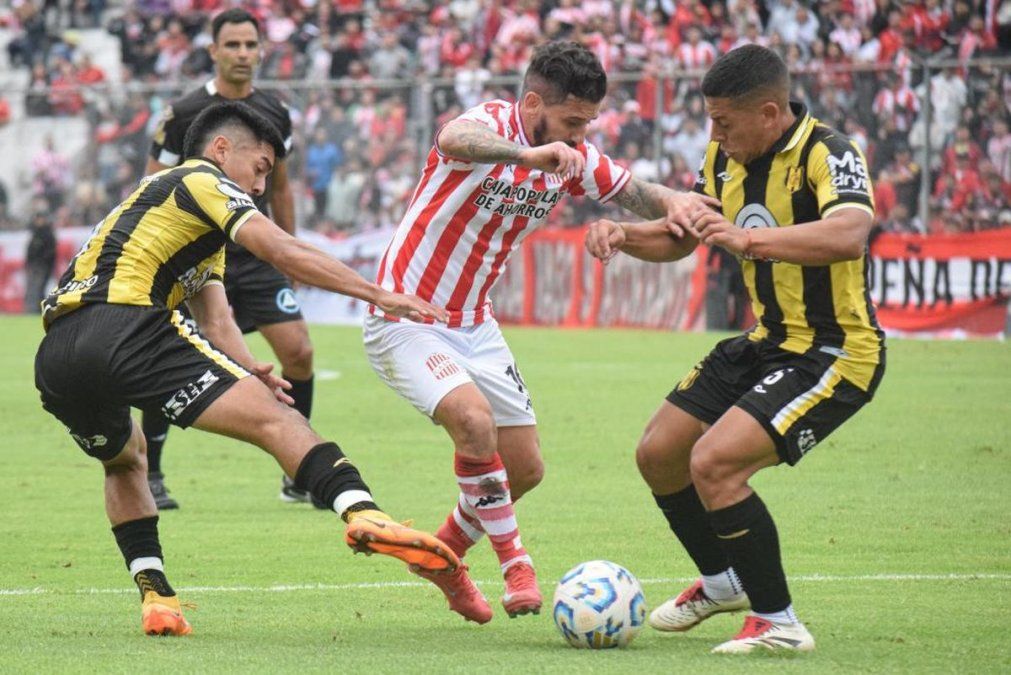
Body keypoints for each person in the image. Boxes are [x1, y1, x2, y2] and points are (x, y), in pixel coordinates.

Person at [35, 101, 459, 637]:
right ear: (220, 149)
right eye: (259, 168)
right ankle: (363, 512)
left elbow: (216, 318)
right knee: (278, 420)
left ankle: (157, 597)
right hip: (126, 324)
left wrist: (249, 368)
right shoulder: (200, 179)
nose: (261, 187)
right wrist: (377, 294)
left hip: (58, 356)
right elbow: (279, 247)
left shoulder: (173, 214)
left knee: (124, 460)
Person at [363, 40, 716, 624]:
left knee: (524, 469)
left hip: (476, 323)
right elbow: (453, 137)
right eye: (571, 122)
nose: (579, 136)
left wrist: (677, 202)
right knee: (474, 423)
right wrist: (528, 155)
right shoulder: (490, 125)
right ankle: (516, 564)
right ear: (532, 104)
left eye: (587, 123)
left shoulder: (574, 155)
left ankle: (440, 554)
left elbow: (634, 191)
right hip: (408, 316)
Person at [585, 45, 884, 654]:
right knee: (659, 453)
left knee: (715, 463)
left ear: (769, 113)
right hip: (766, 341)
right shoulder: (724, 156)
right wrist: (624, 234)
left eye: (723, 121)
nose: (714, 134)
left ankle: (779, 622)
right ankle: (724, 584)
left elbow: (850, 233)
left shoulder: (829, 152)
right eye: (710, 121)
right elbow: (684, 236)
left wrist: (748, 242)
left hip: (834, 351)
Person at [145, 8, 315, 509]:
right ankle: (151, 473)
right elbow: (151, 183)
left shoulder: (274, 111)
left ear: (261, 51)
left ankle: (298, 471)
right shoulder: (183, 112)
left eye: (250, 44)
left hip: (255, 254)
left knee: (300, 352)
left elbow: (279, 188)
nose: (242, 53)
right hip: (193, 258)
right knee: (164, 359)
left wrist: (289, 253)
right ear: (213, 51)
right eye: (233, 45)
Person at [24, 206, 57, 313]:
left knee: (39, 289)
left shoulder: (47, 234)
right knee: (33, 289)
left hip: (43, 266)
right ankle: (33, 310)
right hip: (35, 265)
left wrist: (43, 262)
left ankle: (37, 310)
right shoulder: (35, 232)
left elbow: (51, 252)